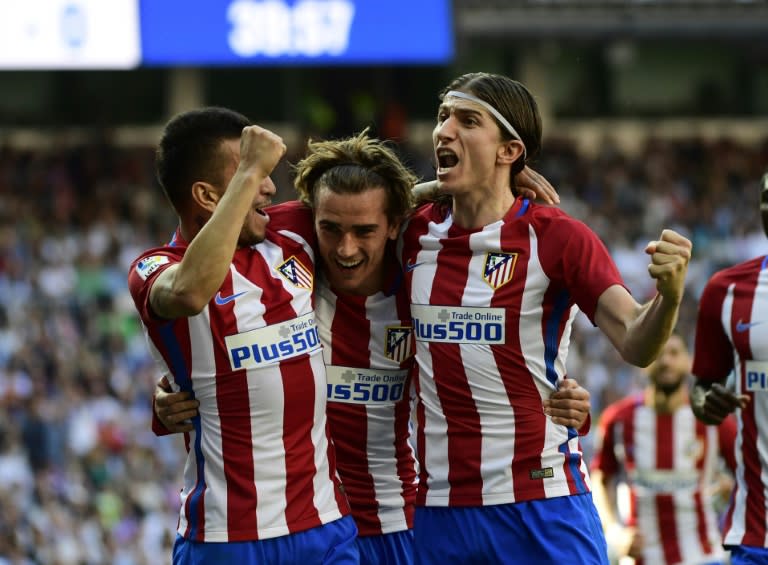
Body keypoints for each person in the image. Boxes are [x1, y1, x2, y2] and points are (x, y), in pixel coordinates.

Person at [152, 128, 594, 564]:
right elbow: (210, 305)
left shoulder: (422, 291)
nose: (345, 249)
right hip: (314, 527)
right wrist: (171, 393)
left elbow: (491, 362)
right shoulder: (291, 245)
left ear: (391, 227)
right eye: (331, 229)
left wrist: (565, 400)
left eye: (364, 231)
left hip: (399, 525)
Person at [397, 71, 693, 564]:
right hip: (440, 511)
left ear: (509, 149)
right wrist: (430, 188)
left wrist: (670, 296)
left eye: (467, 120)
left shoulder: (558, 237)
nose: (444, 131)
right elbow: (327, 212)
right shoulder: (410, 233)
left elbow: (637, 343)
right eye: (443, 117)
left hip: (542, 504)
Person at [127, 107, 358, 564]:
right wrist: (250, 170)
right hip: (226, 540)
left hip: (324, 526)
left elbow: (370, 209)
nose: (270, 186)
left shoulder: (289, 237)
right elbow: (190, 292)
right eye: (254, 173)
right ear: (208, 196)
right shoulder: (154, 268)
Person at [591, 333, 736, 565]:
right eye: (658, 354)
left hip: (702, 557)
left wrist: (734, 494)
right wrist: (615, 532)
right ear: (644, 363)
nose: (666, 361)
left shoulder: (712, 418)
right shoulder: (618, 420)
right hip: (641, 559)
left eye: (674, 353)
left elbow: (750, 473)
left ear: (689, 362)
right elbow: (600, 478)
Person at [690, 170, 768, 565]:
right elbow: (702, 388)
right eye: (766, 199)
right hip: (757, 531)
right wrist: (708, 402)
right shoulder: (727, 290)